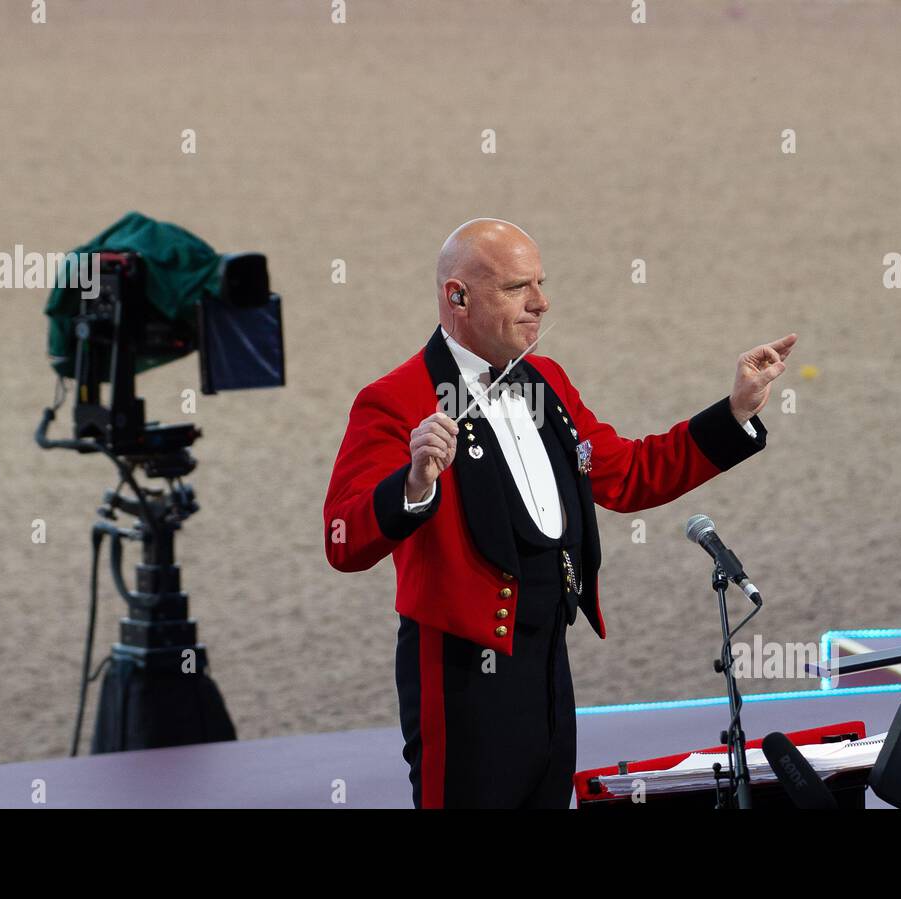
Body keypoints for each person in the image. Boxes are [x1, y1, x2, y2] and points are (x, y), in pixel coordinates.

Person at [323, 218, 795, 808]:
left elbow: (628, 474)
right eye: (518, 288)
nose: (541, 303)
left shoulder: (547, 381)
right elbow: (342, 539)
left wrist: (733, 413)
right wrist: (413, 484)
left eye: (540, 283)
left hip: (549, 659)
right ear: (458, 297)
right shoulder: (393, 398)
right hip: (462, 672)